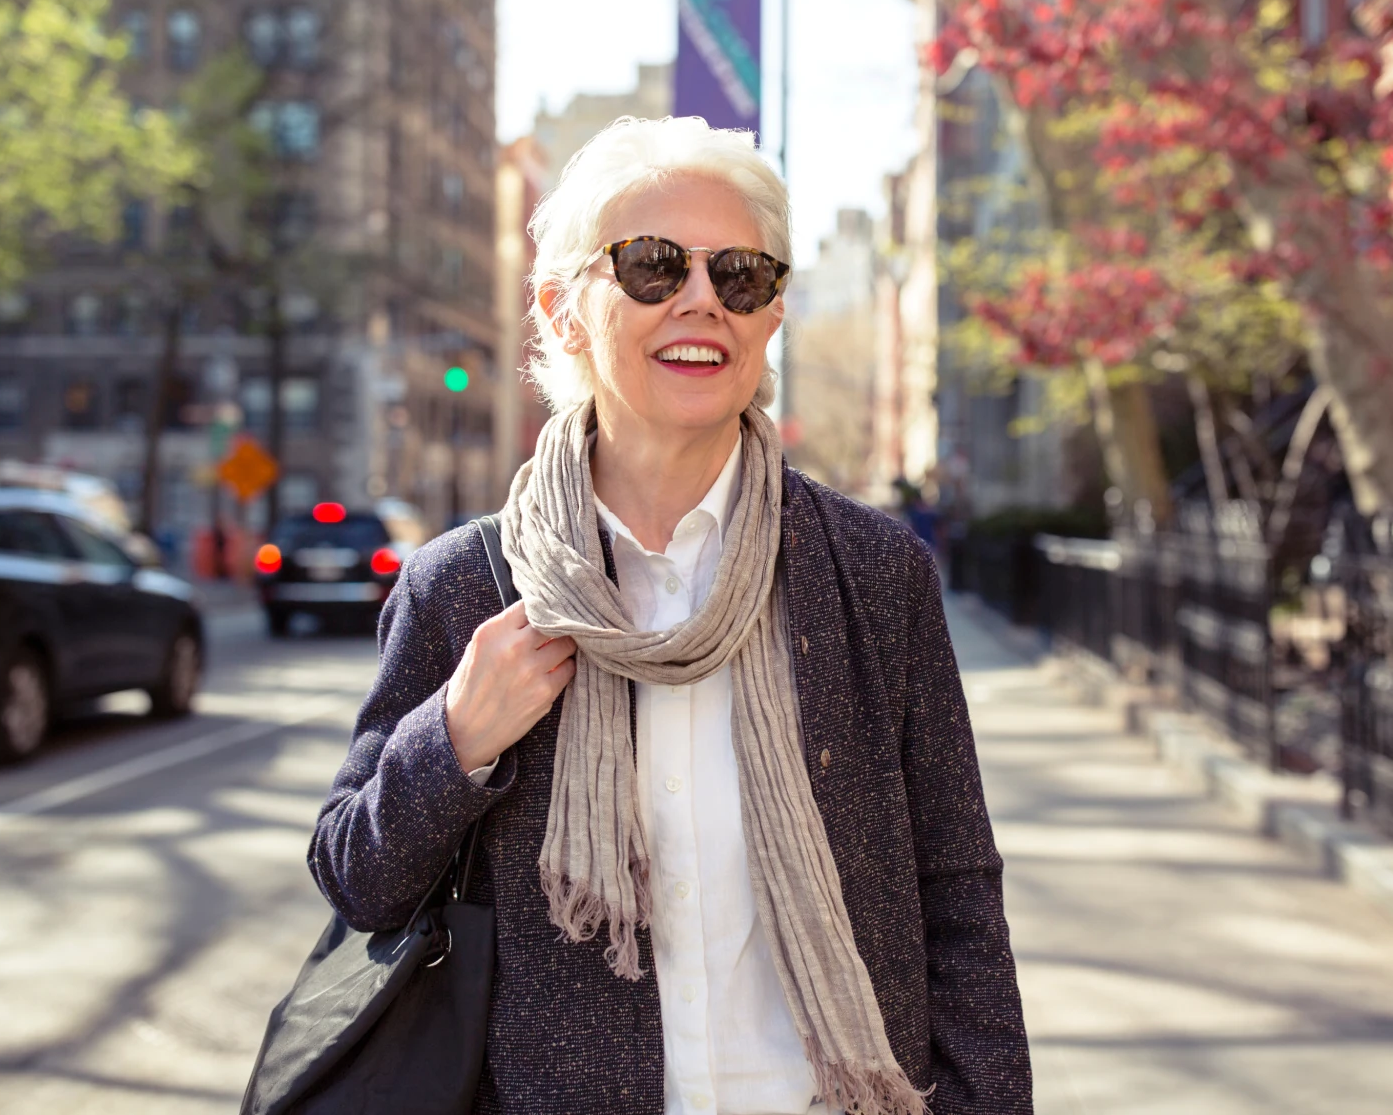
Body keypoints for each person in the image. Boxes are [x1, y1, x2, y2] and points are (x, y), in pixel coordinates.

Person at [309, 116, 1031, 1115]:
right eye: (653, 267)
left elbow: (955, 893)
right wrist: (456, 740)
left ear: (771, 314)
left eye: (741, 274)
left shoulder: (872, 576)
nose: (702, 301)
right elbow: (357, 879)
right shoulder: (466, 587)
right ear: (563, 311)